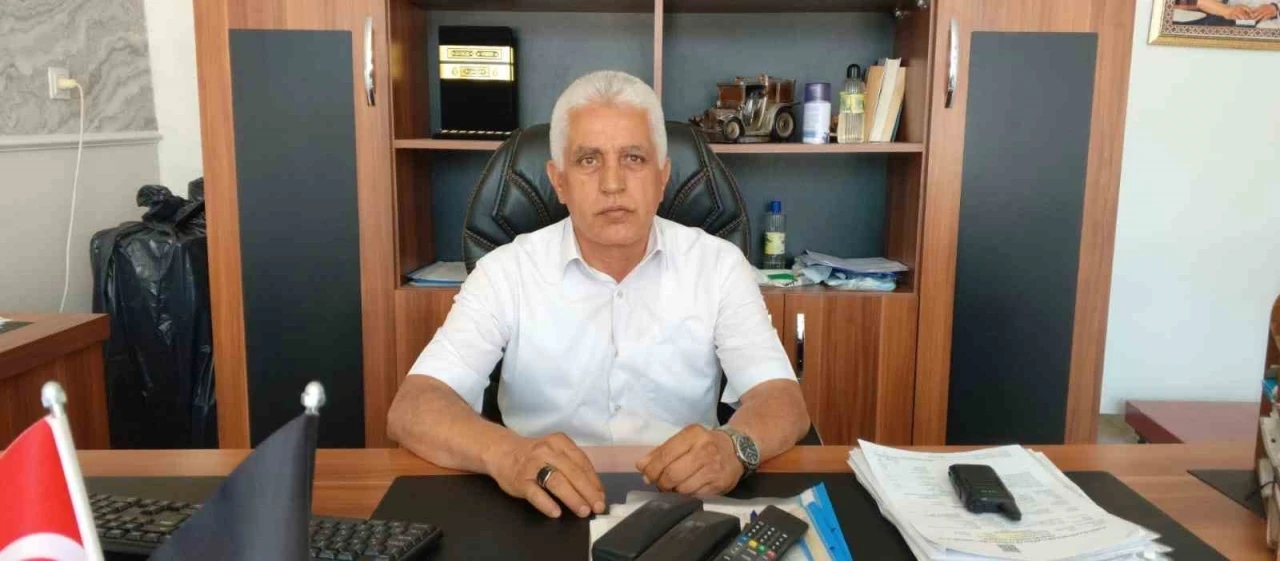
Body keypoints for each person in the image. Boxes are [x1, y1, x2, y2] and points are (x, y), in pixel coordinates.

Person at [386, 71, 810, 519]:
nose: (612, 184)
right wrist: (507, 454)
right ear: (558, 181)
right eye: (589, 160)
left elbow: (783, 402)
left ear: (662, 177)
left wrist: (734, 446)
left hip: (684, 505)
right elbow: (413, 408)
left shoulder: (718, 266)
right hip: (537, 504)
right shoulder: (505, 272)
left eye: (633, 158)